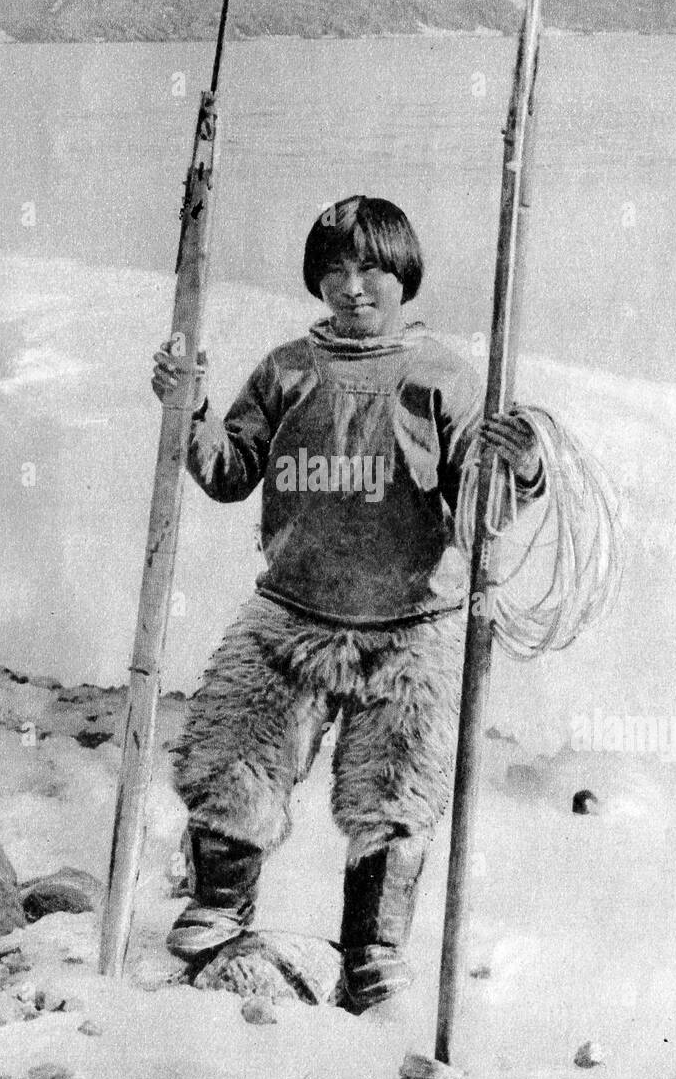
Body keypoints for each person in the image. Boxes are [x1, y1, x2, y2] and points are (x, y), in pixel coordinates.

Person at [152, 194, 546, 1014]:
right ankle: (219, 904)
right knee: (233, 756)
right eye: (333, 269)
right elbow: (230, 473)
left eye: (369, 269)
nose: (352, 287)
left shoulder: (441, 378)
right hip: (294, 610)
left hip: (411, 627)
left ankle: (371, 951)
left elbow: (481, 512)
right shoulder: (287, 368)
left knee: (395, 794)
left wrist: (519, 467)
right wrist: (188, 411)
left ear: (402, 276)